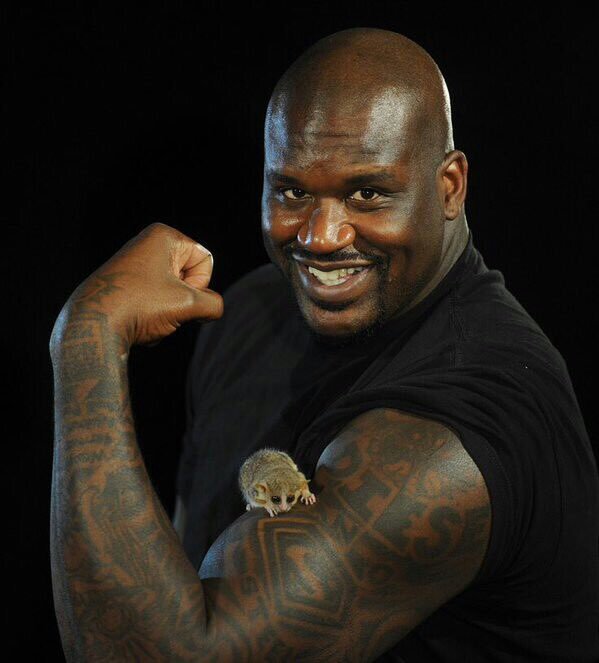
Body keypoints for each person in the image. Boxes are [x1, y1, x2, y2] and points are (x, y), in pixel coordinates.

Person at [49, 28, 599, 662]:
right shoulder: (249, 315)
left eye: (367, 193)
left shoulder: (469, 425)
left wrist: (86, 336)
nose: (321, 237)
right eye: (294, 192)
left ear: (449, 187)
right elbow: (172, 566)